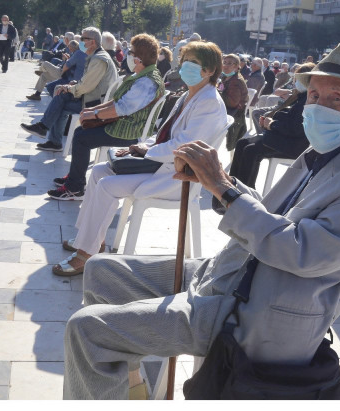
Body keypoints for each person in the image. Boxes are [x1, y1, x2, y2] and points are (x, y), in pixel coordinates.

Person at [62, 43, 340, 400]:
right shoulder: (325, 149)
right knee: (101, 271)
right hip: (228, 272)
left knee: (88, 331)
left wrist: (226, 193)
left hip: (257, 310)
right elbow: (274, 215)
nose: (317, 107)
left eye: (335, 99)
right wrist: (221, 182)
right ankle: (136, 393)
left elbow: (304, 252)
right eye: (314, 95)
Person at [51, 40, 230, 276]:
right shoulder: (189, 95)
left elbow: (183, 146)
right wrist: (139, 146)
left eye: (193, 63)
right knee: (98, 172)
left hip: (178, 177)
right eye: (184, 61)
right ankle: (91, 239)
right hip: (162, 163)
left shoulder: (208, 102)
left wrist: (145, 151)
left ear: (209, 70)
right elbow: (163, 135)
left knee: (106, 185)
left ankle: (86, 254)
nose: (186, 66)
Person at [47, 33, 165, 202]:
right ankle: (75, 177)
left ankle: (75, 187)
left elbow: (121, 108)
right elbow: (116, 102)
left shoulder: (147, 81)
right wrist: (93, 110)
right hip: (124, 124)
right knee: (81, 131)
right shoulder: (141, 75)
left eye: (131, 52)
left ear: (139, 58)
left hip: (130, 132)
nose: (128, 55)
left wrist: (94, 113)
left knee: (81, 137)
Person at [20, 26, 118, 151]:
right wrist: (73, 84)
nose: (80, 42)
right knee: (60, 93)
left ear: (92, 42)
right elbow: (88, 82)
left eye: (83, 39)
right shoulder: (96, 56)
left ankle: (47, 132)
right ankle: (49, 136)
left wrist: (69, 88)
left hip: (96, 104)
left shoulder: (99, 59)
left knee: (60, 97)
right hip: (93, 97)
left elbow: (86, 86)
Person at [230, 63, 314, 188]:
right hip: (284, 138)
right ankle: (231, 187)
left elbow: (297, 128)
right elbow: (288, 117)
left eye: (299, 79)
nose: (296, 81)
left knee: (251, 151)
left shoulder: (309, 100)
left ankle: (245, 192)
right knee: (242, 143)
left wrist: (273, 124)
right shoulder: (299, 96)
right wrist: (270, 119)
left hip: (294, 145)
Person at [219, 54, 249, 151]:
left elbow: (233, 103)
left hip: (234, 114)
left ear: (236, 66)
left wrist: (218, 93)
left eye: (230, 63)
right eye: (224, 62)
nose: (226, 66)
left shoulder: (235, 81)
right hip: (227, 109)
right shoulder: (226, 77)